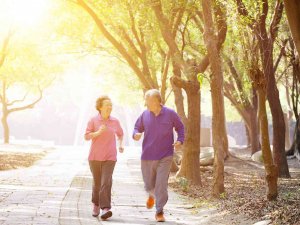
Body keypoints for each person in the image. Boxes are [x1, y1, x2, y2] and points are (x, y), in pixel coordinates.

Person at [133, 89, 184, 222]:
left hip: (165, 155)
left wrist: (180, 140)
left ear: (156, 101)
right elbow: (136, 128)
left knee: (161, 184)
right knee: (149, 184)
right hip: (147, 156)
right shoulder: (144, 115)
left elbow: (180, 127)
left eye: (148, 101)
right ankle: (151, 195)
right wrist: (136, 134)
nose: (146, 103)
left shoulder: (170, 114)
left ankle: (159, 211)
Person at [84, 95, 124, 220]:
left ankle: (105, 208)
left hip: (110, 157)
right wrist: (97, 133)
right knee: (97, 183)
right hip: (95, 157)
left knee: (106, 181)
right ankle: (96, 204)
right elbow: (86, 136)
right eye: (107, 105)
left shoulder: (115, 121)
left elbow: (120, 134)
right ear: (100, 107)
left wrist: (120, 145)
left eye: (111, 105)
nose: (109, 107)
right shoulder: (93, 120)